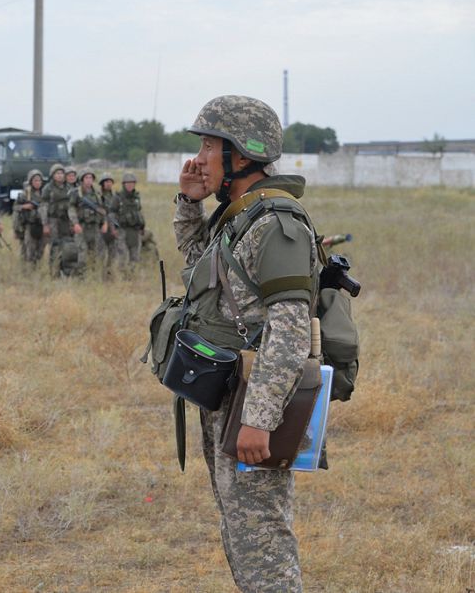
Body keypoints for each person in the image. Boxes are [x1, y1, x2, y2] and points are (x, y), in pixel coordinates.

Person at [173, 95, 315, 592]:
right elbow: (200, 274)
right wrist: (189, 203)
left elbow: (291, 330)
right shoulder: (239, 218)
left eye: (211, 145)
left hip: (253, 404)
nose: (200, 158)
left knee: (263, 541)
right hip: (226, 396)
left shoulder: (276, 225)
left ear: (242, 155)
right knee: (241, 532)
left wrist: (260, 418)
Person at [68, 168, 106, 271]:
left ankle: (92, 275)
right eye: (86, 177)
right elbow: (71, 208)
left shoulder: (97, 193)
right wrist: (75, 223)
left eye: (91, 177)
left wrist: (104, 223)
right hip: (82, 226)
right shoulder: (76, 193)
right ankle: (81, 276)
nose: (89, 180)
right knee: (82, 253)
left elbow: (102, 209)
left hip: (95, 227)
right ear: (82, 179)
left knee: (95, 253)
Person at [40, 163, 71, 277]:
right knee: (55, 246)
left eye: (62, 173)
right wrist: (45, 224)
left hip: (66, 221)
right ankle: (54, 272)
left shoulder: (69, 188)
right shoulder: (47, 188)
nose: (60, 175)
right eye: (57, 173)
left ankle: (66, 271)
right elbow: (43, 206)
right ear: (52, 175)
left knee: (67, 246)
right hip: (53, 220)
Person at [114, 172, 145, 274]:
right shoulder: (118, 198)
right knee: (122, 254)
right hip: (122, 229)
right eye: (127, 183)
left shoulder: (136, 198)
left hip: (135, 230)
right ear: (124, 184)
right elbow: (111, 213)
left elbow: (139, 212)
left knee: (135, 254)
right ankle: (121, 275)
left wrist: (142, 226)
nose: (130, 185)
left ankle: (133, 275)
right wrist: (114, 227)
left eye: (132, 183)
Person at [13, 169, 45, 267]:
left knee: (40, 251)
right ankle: (27, 271)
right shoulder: (24, 194)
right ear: (31, 181)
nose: (38, 182)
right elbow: (15, 208)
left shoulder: (44, 193)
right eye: (35, 180)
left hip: (42, 225)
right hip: (29, 225)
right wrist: (24, 207)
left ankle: (36, 268)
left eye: (39, 180)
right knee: (28, 250)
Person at [97, 172, 119, 277]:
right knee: (101, 254)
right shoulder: (98, 196)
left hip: (113, 228)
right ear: (102, 183)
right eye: (106, 182)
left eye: (110, 181)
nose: (108, 184)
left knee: (113, 254)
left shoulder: (115, 197)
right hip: (102, 228)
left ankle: (109, 274)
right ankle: (100, 274)